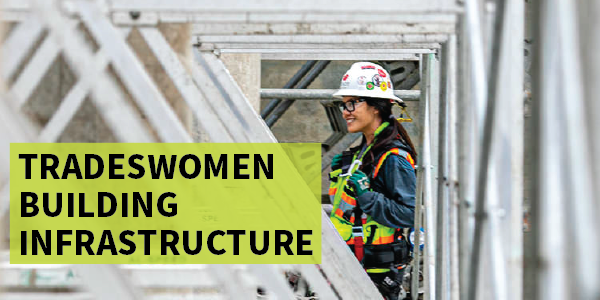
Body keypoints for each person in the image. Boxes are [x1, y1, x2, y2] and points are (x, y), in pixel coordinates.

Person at [328, 62, 417, 300]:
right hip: (354, 266)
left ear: (376, 107)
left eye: (352, 103)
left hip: (376, 274)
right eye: (343, 104)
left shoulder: (392, 158)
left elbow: (411, 213)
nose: (345, 111)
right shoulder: (363, 152)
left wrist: (368, 197)